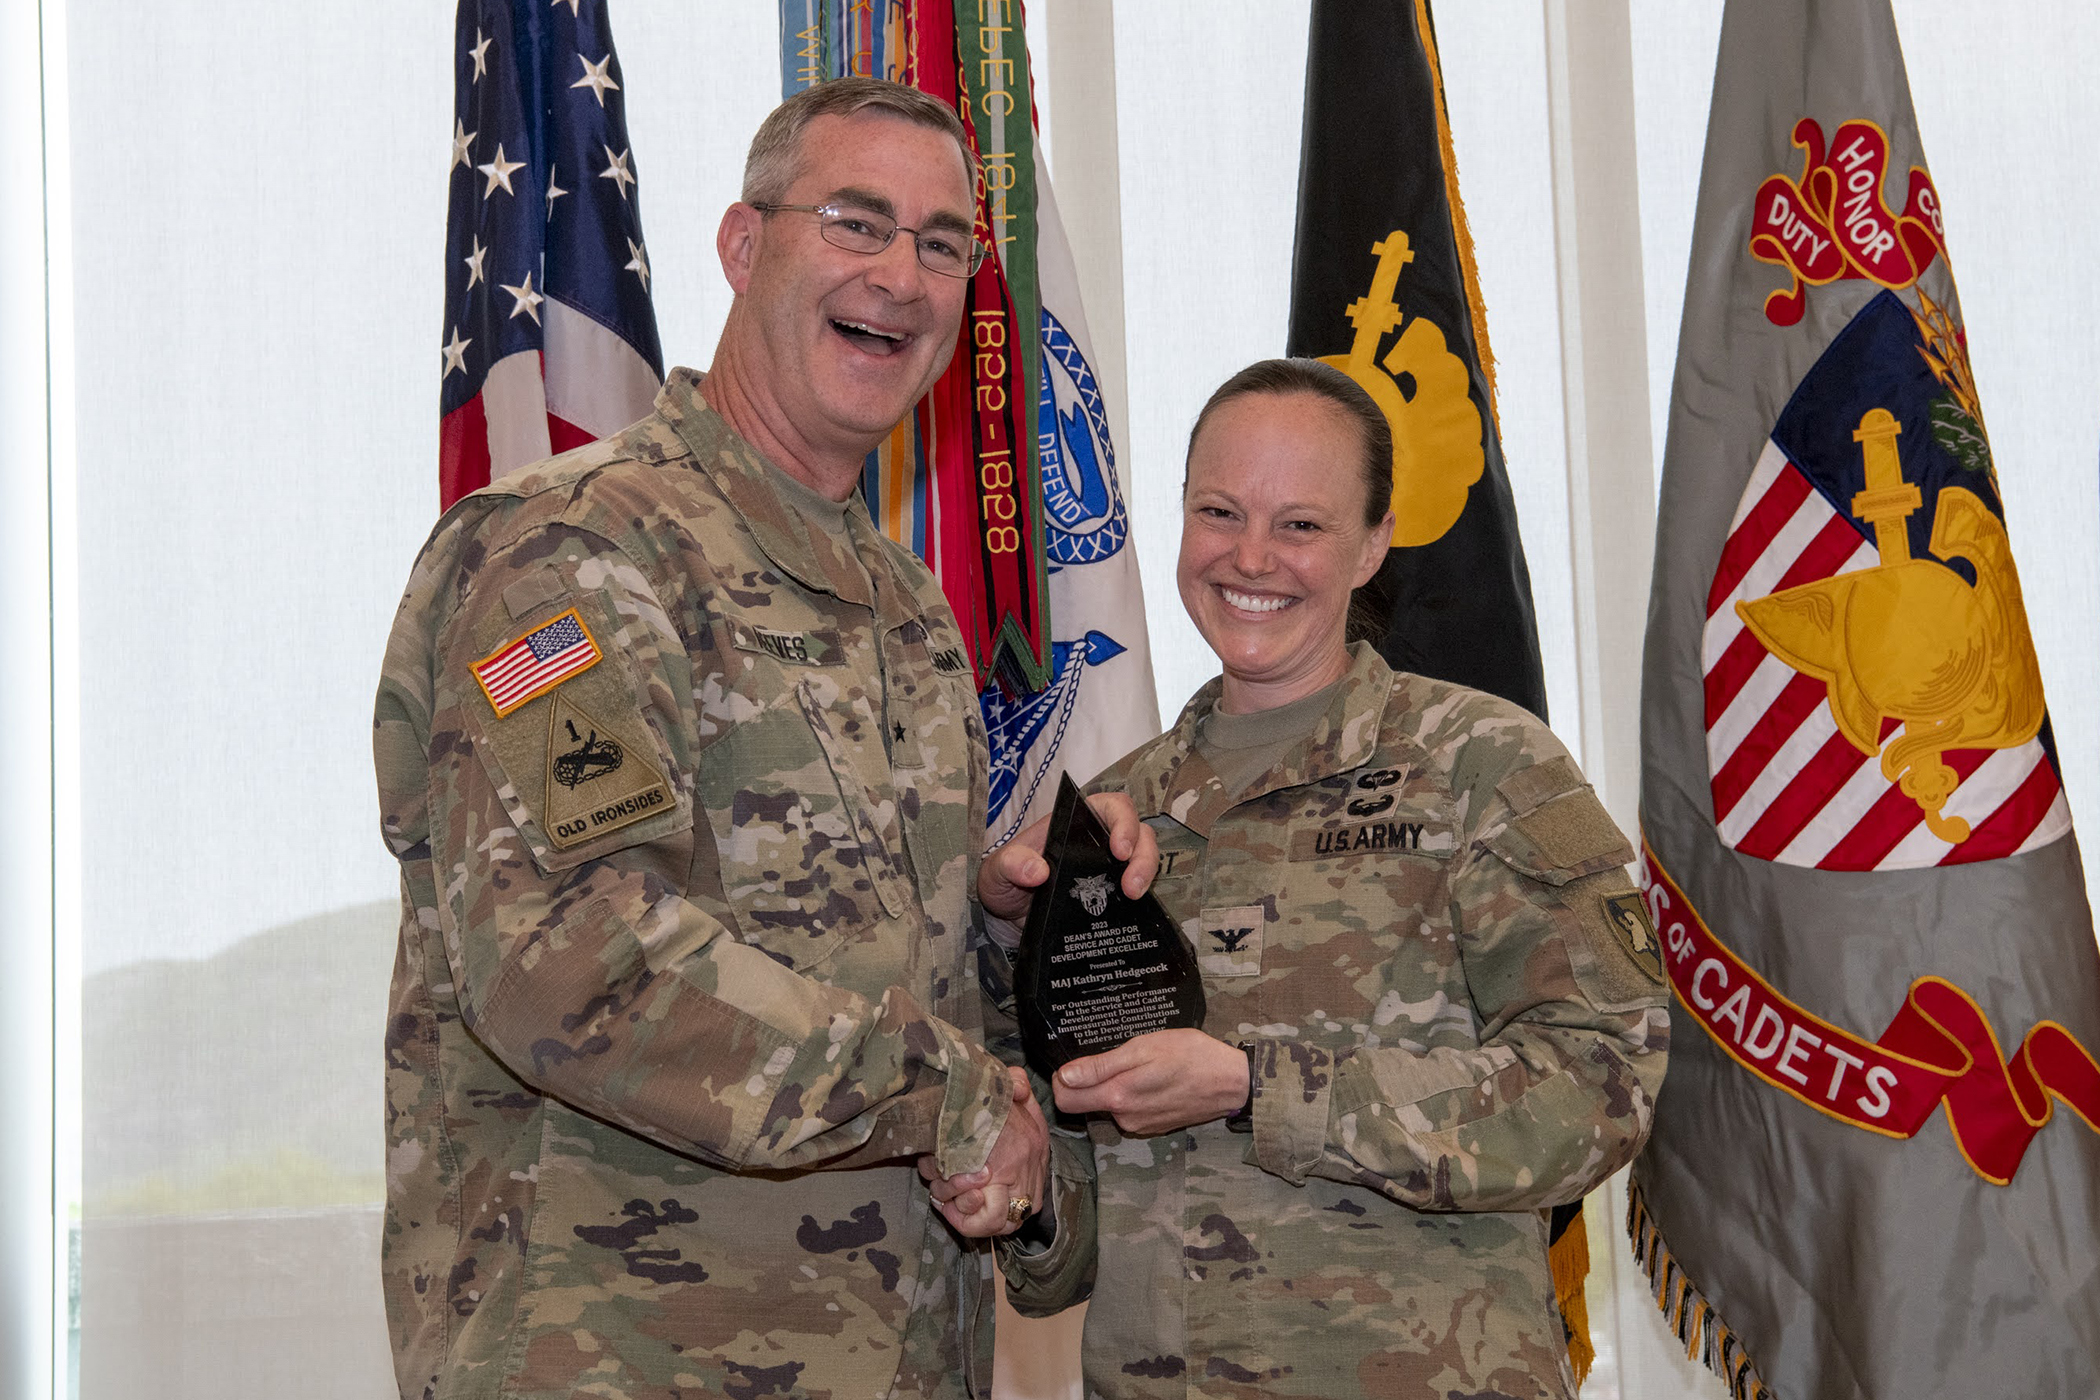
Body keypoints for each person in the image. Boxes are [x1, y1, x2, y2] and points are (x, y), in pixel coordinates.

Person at [373, 76, 1152, 1400]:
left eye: (942, 243)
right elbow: (572, 960)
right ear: (744, 247)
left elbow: (873, 957)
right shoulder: (578, 547)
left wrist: (1019, 925)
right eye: (856, 221)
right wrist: (953, 1100)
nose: (900, 275)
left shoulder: (905, 609)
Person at [971, 359, 1672, 1399]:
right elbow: (1064, 1233)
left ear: (1375, 539)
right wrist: (1004, 934)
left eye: (1301, 524)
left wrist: (1261, 1087)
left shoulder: (1482, 763)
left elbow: (1603, 1085)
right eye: (1219, 510)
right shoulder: (1110, 818)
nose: (1250, 556)